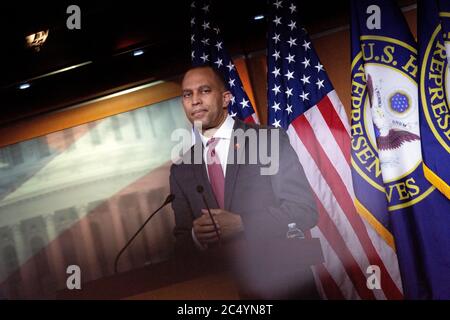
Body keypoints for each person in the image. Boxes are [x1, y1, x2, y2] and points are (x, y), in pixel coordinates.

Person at [169, 65, 320, 299]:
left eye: (205, 91)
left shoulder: (268, 141)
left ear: (226, 98)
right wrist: (196, 237)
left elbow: (304, 212)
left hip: (286, 287)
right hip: (224, 292)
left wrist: (243, 224)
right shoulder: (181, 170)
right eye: (187, 94)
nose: (195, 100)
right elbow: (181, 243)